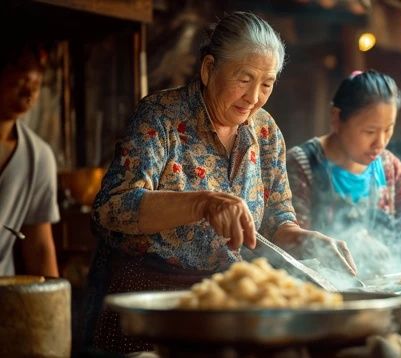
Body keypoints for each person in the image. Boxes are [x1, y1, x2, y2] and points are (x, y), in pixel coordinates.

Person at [84, 12, 355, 354]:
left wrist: (304, 240)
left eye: (266, 84)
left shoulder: (265, 131)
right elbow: (111, 210)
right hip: (150, 305)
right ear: (209, 69)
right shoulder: (161, 116)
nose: (254, 97)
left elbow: (276, 219)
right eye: (244, 79)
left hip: (222, 306)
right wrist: (202, 203)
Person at [286, 70, 401, 276]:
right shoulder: (301, 164)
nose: (380, 143)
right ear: (337, 118)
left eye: (388, 130)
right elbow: (289, 243)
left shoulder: (389, 168)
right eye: (370, 132)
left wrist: (396, 258)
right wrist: (352, 243)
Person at [0, 34, 59, 277]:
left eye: (36, 84)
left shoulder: (38, 157)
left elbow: (39, 246)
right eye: (21, 76)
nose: (29, 92)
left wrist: (54, 308)